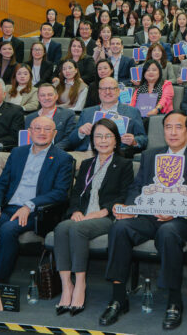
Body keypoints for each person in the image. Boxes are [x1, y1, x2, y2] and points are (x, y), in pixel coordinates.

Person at [100, 112, 187, 329]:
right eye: (168, 127)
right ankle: (118, 298)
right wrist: (130, 207)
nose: (172, 132)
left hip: (182, 220)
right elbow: (136, 188)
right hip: (150, 216)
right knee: (120, 228)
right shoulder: (150, 155)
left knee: (168, 232)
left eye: (178, 127)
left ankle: (174, 301)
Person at [0, 115, 75, 316]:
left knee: (8, 229)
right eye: (37, 128)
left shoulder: (63, 158)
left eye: (48, 129)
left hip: (37, 212)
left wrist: (30, 205)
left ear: (54, 134)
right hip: (8, 208)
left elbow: (61, 192)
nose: (42, 132)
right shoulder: (18, 153)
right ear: (29, 132)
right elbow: (2, 183)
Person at [54, 119, 135, 316]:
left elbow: (124, 195)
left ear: (116, 140)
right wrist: (75, 211)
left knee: (76, 229)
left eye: (108, 136)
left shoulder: (124, 164)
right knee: (61, 228)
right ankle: (67, 286)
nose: (103, 140)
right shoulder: (86, 164)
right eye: (98, 136)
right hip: (83, 214)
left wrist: (104, 211)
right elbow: (75, 193)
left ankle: (80, 284)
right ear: (92, 140)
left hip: (106, 216)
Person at [69, 77, 148, 156]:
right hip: (87, 153)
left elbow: (144, 139)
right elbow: (71, 141)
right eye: (103, 89)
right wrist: (80, 132)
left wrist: (134, 141)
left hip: (117, 154)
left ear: (118, 91)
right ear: (99, 92)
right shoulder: (87, 112)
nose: (107, 92)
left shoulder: (132, 112)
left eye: (111, 88)